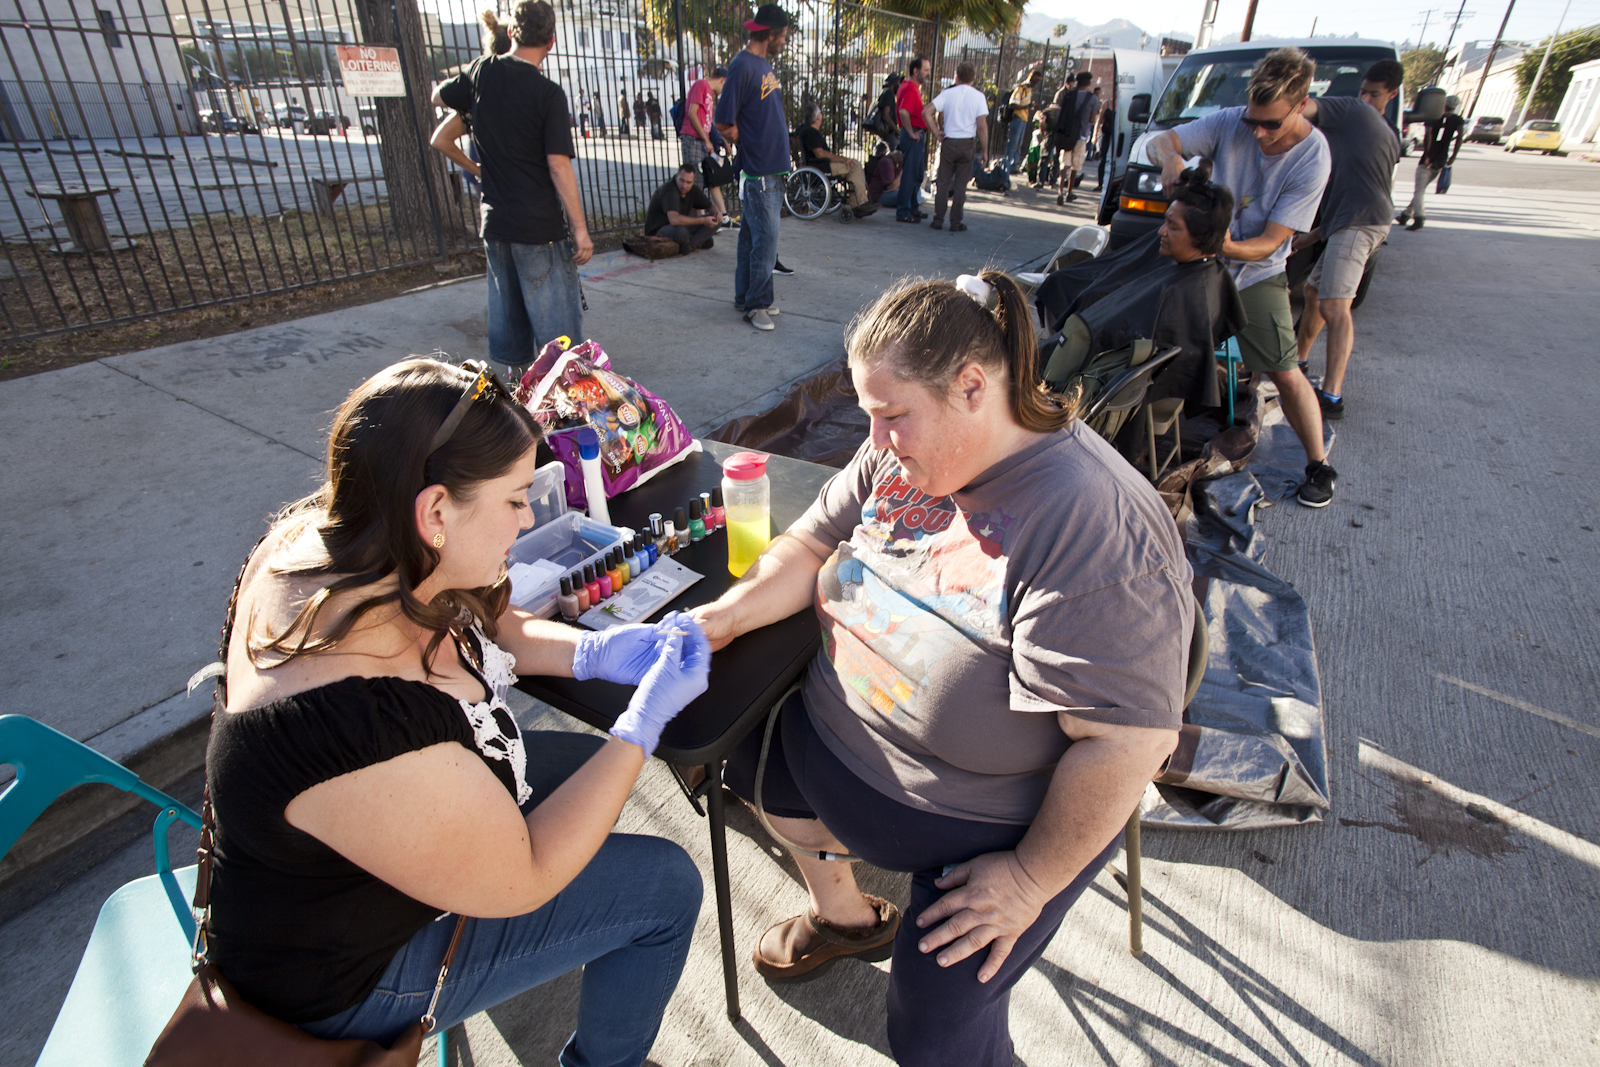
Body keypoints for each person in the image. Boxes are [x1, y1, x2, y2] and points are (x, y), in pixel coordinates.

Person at [694, 271, 1191, 1067]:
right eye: (867, 414)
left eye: (892, 416)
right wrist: (726, 614)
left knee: (933, 1026)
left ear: (971, 386)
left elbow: (1129, 743)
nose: (876, 438)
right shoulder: (901, 450)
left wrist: (1030, 878)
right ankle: (847, 918)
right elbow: (811, 543)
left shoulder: (1092, 525)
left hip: (986, 831)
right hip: (831, 742)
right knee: (734, 757)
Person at [207, 357, 711, 1058]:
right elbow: (523, 878)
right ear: (436, 510)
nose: (530, 513)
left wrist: (589, 653)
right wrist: (637, 730)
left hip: (355, 862)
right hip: (343, 979)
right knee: (664, 887)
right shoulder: (356, 715)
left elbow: (488, 621)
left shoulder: (353, 539)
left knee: (587, 782)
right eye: (513, 498)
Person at [1146, 47, 1337, 508]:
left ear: (1300, 103)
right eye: (1253, 120)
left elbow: (1271, 243)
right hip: (1201, 264)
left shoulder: (1313, 158)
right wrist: (1172, 159)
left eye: (1270, 124)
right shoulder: (1232, 121)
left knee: (1285, 371)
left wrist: (1222, 244)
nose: (1257, 132)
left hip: (1255, 272)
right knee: (1147, 338)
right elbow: (1159, 140)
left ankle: (1319, 465)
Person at [432, 0, 590, 383]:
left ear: (512, 34)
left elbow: (438, 99)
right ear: (551, 42)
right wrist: (580, 229)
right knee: (560, 341)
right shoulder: (547, 94)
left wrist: (479, 165)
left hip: (497, 224)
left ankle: (517, 403)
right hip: (538, 228)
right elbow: (558, 165)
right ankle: (562, 405)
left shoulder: (482, 72)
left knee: (512, 327)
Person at [1293, 59, 1403, 422]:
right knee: (1313, 292)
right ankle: (1298, 361)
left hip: (1359, 225)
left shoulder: (1352, 112)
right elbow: (1354, 199)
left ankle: (1332, 395)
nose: (1366, 98)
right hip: (1358, 222)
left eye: (1374, 93)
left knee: (1336, 307)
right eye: (1363, 91)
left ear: (1392, 93)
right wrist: (1300, 240)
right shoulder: (1387, 132)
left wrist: (1282, 102)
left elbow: (1302, 106)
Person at [716, 3, 792, 332]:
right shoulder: (743, 65)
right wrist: (743, 140)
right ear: (771, 34)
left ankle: (744, 296)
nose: (784, 42)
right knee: (766, 240)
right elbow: (723, 119)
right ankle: (756, 304)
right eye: (784, 37)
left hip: (768, 169)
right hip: (760, 171)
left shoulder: (760, 64)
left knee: (751, 237)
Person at [429, 9, 512, 197]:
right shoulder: (525, 87)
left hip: (495, 190)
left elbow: (440, 139)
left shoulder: (477, 96)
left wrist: (478, 170)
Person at [924, 60, 988, 232]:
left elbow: (927, 111)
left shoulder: (948, 94)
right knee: (961, 185)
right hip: (967, 143)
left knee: (943, 182)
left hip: (949, 141)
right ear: (973, 78)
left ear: (957, 76)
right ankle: (956, 221)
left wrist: (937, 131)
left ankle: (938, 219)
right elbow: (981, 126)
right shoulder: (978, 97)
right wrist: (985, 150)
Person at [1397, 93, 1463, 231]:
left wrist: (1427, 154)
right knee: (1420, 190)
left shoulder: (1434, 117)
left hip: (1428, 159)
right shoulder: (1457, 120)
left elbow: (1428, 135)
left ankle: (1419, 217)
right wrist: (1453, 156)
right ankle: (1405, 215)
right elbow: (1459, 138)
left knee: (1419, 190)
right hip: (1441, 159)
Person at [797, 101, 875, 217]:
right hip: (822, 167)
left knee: (853, 166)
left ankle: (858, 202)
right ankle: (859, 203)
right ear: (818, 117)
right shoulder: (811, 132)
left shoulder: (805, 130)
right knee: (855, 165)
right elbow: (820, 153)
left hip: (820, 165)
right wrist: (843, 159)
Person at [678, 65, 731, 224]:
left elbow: (709, 122)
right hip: (693, 139)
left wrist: (723, 142)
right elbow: (692, 114)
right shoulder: (701, 85)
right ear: (723, 80)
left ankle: (721, 217)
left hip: (703, 141)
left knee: (711, 177)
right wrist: (706, 140)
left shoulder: (709, 93)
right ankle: (701, 220)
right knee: (695, 180)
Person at [646, 162, 718, 254]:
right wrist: (703, 221)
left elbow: (710, 206)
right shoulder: (670, 190)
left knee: (717, 221)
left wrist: (717, 213)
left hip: (681, 226)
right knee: (681, 231)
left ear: (693, 181)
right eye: (681, 180)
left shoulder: (693, 189)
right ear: (676, 177)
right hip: (660, 230)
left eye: (688, 182)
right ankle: (695, 241)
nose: (684, 185)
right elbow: (674, 220)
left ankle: (690, 244)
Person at [1051, 71, 1100, 204]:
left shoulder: (1069, 95)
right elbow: (1092, 119)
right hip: (1081, 135)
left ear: (1077, 82)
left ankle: (1060, 192)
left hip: (1066, 135)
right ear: (1089, 83)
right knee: (1075, 166)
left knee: (1064, 165)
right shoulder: (1092, 98)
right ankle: (1069, 192)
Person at [895, 55, 930, 224]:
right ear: (916, 71)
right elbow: (903, 111)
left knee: (916, 173)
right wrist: (911, 133)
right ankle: (903, 211)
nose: (928, 73)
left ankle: (913, 208)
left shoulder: (909, 86)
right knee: (910, 174)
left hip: (915, 133)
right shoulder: (910, 88)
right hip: (913, 134)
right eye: (926, 70)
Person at [1002, 66, 1040, 173]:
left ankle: (1013, 165)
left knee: (1018, 145)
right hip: (1017, 118)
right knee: (1013, 144)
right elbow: (1012, 104)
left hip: (1024, 118)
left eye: (1037, 81)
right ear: (1029, 77)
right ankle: (1007, 165)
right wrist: (1027, 106)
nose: (1035, 83)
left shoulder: (1029, 90)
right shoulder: (1021, 88)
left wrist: (1030, 106)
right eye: (1034, 80)